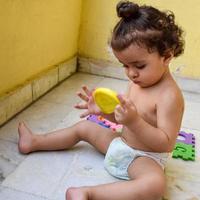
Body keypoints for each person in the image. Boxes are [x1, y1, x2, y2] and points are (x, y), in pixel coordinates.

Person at [18, 1, 185, 199]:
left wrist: (134, 122)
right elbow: (123, 119)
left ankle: (88, 194)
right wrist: (104, 113)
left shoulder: (170, 96)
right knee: (84, 127)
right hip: (119, 144)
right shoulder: (137, 83)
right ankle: (35, 141)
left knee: (155, 185)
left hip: (143, 159)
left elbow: (165, 144)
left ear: (166, 56)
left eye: (139, 66)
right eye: (125, 65)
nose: (131, 73)